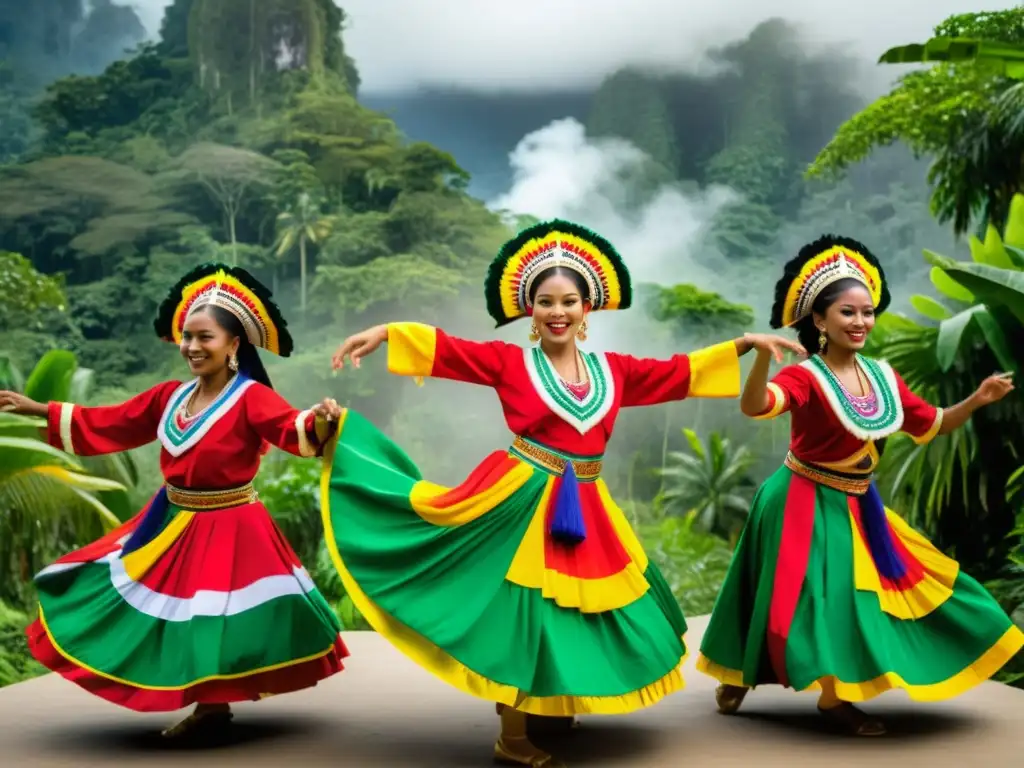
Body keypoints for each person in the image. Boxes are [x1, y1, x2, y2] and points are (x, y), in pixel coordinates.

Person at [322, 219, 803, 767]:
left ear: (587, 309)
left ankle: (553, 706)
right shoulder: (510, 363)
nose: (557, 312)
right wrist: (386, 332)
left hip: (587, 503)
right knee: (523, 611)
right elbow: (451, 350)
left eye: (568, 301)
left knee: (573, 611)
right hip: (522, 496)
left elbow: (678, 372)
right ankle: (514, 735)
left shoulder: (613, 371)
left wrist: (744, 344)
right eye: (545, 301)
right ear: (530, 311)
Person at [0, 264, 349, 740]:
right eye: (187, 336)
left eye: (205, 337)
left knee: (208, 616)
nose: (192, 346)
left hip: (231, 522)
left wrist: (323, 420)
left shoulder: (251, 398)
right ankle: (208, 705)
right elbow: (115, 421)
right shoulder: (171, 397)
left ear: (234, 345)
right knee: (153, 605)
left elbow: (292, 428)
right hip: (172, 519)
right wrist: (40, 409)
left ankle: (211, 708)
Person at [696, 235, 1024, 736]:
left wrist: (978, 399)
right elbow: (756, 406)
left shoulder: (884, 377)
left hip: (857, 502)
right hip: (800, 499)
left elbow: (932, 423)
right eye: (847, 313)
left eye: (867, 312)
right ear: (820, 322)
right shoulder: (806, 377)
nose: (860, 322)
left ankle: (814, 688)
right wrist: (761, 357)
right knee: (808, 596)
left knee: (913, 581)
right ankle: (786, 686)